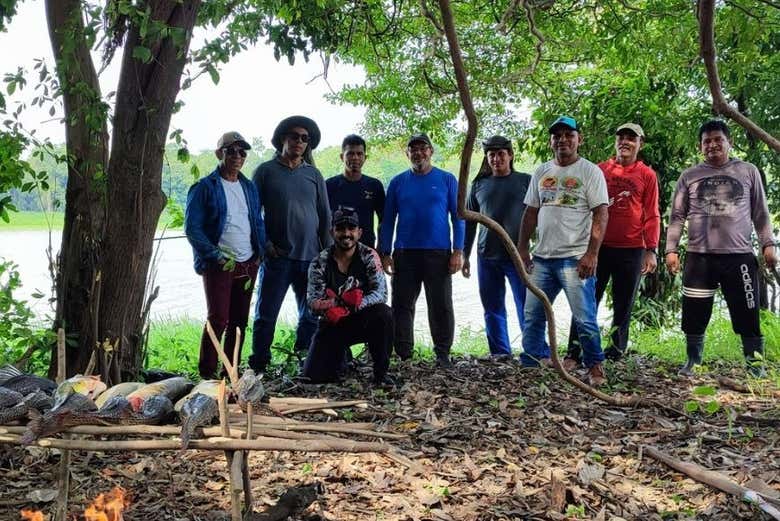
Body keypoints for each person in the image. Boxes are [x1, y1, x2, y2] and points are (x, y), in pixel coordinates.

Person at [666, 120, 776, 377]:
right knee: (694, 312)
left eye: (718, 139)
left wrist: (768, 244)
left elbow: (760, 212)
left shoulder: (748, 171)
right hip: (699, 258)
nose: (712, 145)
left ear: (730, 142)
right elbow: (677, 216)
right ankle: (693, 361)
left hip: (739, 257)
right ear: (700, 146)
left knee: (747, 311)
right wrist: (671, 249)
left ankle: (755, 364)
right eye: (707, 141)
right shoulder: (689, 176)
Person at [518, 116, 609, 386]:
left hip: (575, 258)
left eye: (569, 135)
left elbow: (601, 214)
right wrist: (522, 248)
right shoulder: (542, 171)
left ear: (579, 139)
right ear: (551, 141)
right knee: (532, 314)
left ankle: (595, 366)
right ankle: (532, 360)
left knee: (584, 317)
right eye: (557, 136)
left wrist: (591, 254)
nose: (562, 140)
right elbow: (530, 212)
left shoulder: (590, 172)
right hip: (542, 258)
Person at [564, 123, 660, 367]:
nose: (625, 142)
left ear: (640, 144)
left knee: (623, 304)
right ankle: (574, 352)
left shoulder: (647, 175)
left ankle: (615, 353)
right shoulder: (599, 170)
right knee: (586, 300)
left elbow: (652, 214)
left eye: (631, 138)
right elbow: (583, 208)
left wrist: (651, 249)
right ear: (615, 141)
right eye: (621, 137)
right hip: (597, 248)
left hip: (632, 249)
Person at [249, 116, 332, 374]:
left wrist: (327, 254)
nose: (299, 142)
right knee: (266, 314)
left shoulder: (313, 174)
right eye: (294, 136)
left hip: (311, 258)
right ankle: (259, 365)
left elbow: (325, 215)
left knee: (310, 315)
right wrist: (266, 245)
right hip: (278, 258)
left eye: (305, 139)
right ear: (283, 139)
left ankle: (304, 360)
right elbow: (253, 214)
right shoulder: (265, 171)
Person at [378, 133, 465, 368]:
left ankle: (442, 353)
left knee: (440, 304)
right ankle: (404, 354)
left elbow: (458, 218)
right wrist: (385, 252)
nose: (418, 153)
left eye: (423, 148)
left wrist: (458, 250)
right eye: (413, 149)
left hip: (438, 253)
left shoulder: (447, 179)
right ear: (407, 153)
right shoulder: (397, 182)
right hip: (405, 253)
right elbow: (388, 220)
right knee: (402, 305)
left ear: (431, 151)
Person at [185, 131, 265, 379]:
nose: (237, 156)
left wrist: (260, 253)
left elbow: (257, 221)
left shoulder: (249, 187)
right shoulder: (204, 187)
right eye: (231, 151)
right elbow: (193, 229)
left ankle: (230, 372)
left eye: (242, 152)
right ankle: (207, 374)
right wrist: (215, 256)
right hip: (219, 263)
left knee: (239, 321)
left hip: (248, 262)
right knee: (218, 319)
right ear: (219, 153)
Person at [302, 207, 394, 385]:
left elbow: (381, 293)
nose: (346, 234)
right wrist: (339, 302)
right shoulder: (319, 262)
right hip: (333, 322)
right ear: (332, 232)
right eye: (340, 229)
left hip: (362, 319)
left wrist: (356, 304)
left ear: (359, 232)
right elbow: (312, 302)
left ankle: (381, 373)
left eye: (351, 229)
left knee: (384, 314)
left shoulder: (369, 256)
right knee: (313, 377)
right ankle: (342, 358)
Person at [462, 135, 532, 357]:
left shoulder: (526, 181)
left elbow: (538, 216)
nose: (496, 159)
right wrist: (464, 254)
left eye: (501, 154)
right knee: (492, 308)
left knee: (526, 306)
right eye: (491, 155)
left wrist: (535, 251)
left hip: (518, 256)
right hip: (487, 255)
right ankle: (500, 353)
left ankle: (533, 351)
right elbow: (469, 222)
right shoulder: (479, 185)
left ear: (510, 155)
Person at [326, 134, 385, 248]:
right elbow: (322, 219)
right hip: (337, 250)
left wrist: (381, 247)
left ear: (365, 157)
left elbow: (383, 220)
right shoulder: (329, 185)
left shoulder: (374, 185)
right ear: (342, 157)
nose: (355, 158)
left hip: (366, 249)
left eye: (359, 154)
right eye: (350, 153)